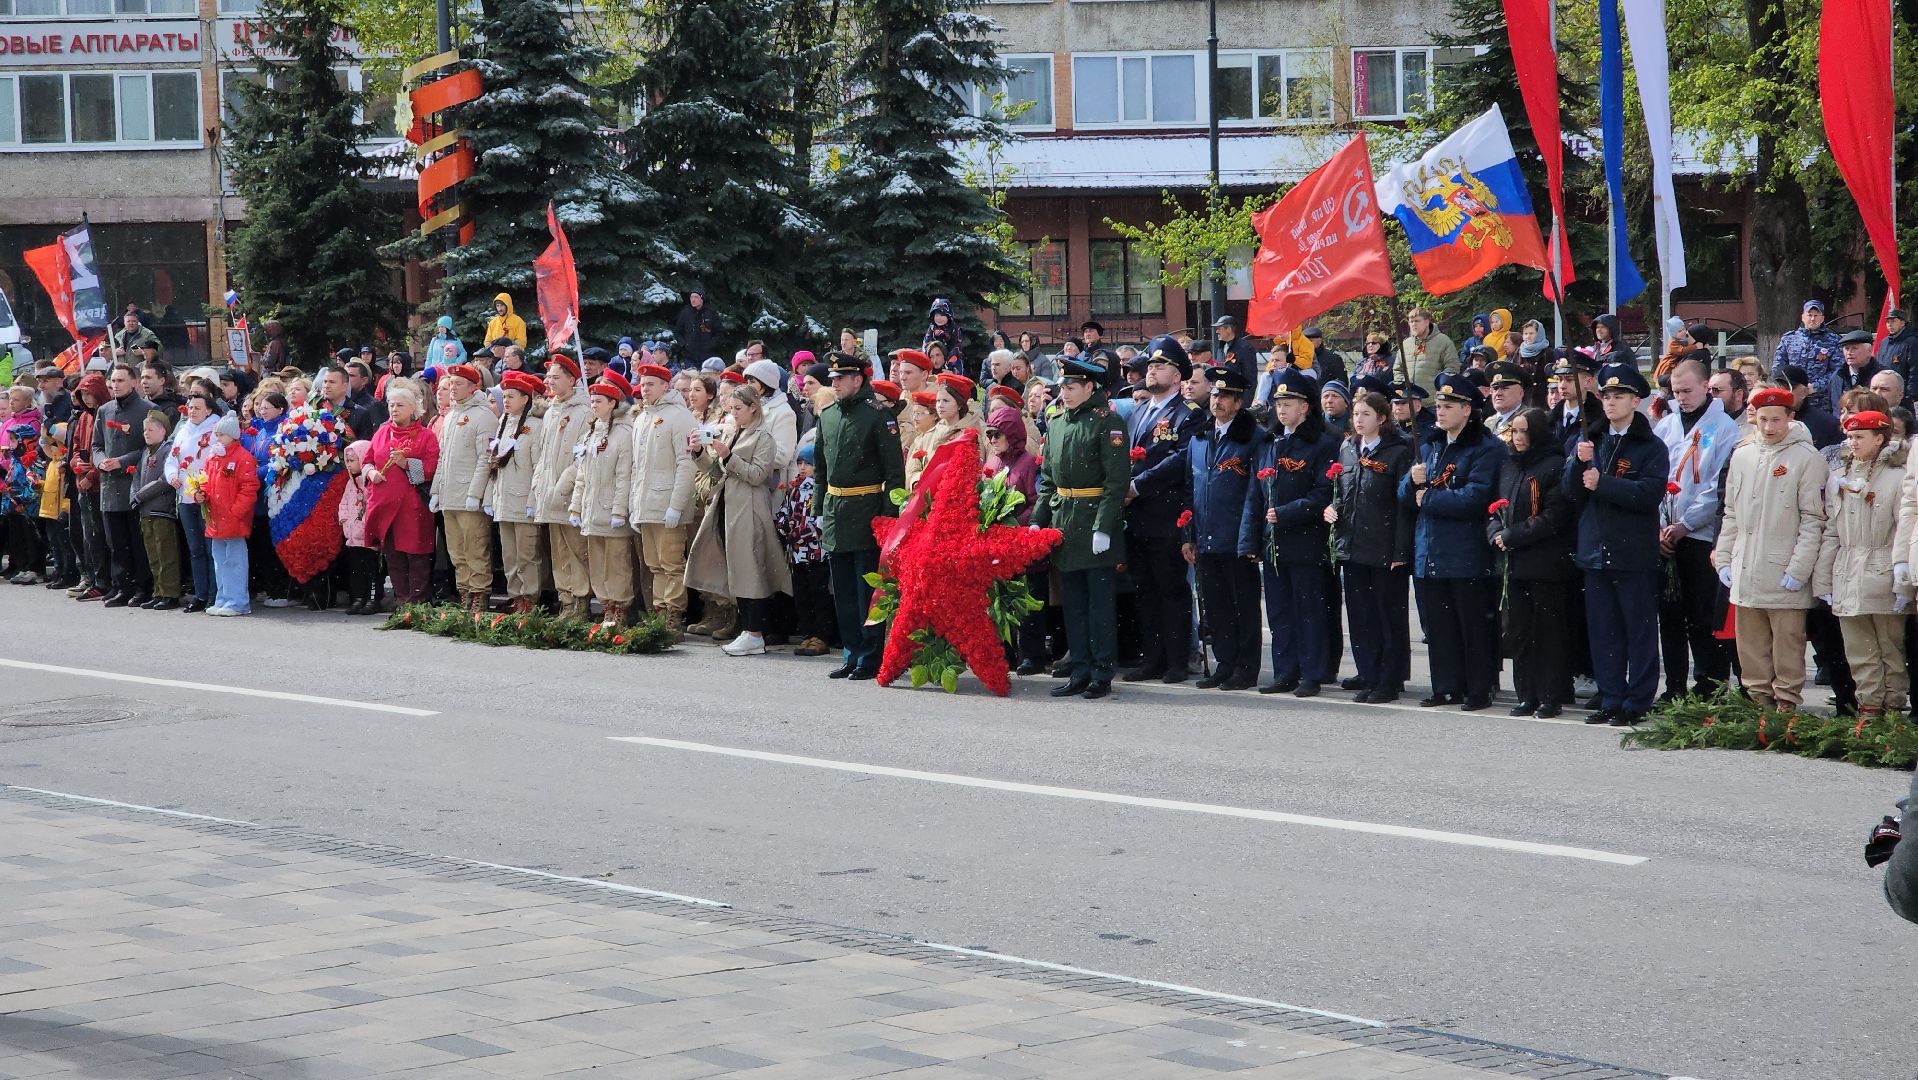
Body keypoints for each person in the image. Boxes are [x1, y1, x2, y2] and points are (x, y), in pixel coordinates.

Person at [1564, 363, 1668, 726]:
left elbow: (1649, 493)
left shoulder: (1650, 446)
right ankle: (1610, 696)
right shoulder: (1592, 441)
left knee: (1637, 631)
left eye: (1618, 396)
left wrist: (1603, 483)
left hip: (1632, 552)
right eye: (1606, 396)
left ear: (1636, 400)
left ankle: (1636, 699)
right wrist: (1577, 467)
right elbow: (1570, 493)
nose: (1610, 403)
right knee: (1603, 630)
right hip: (1595, 550)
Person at [1713, 386, 1828, 712]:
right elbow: (1731, 513)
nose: (1768, 427)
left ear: (1790, 418)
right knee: (1751, 647)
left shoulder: (1807, 458)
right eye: (1762, 419)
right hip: (1747, 567)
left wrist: (1798, 569)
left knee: (1787, 646)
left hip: (1783, 570)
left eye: (1776, 420)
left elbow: (1812, 520)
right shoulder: (1743, 455)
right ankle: (1759, 703)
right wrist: (1725, 558)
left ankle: (1786, 705)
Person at [1031, 354, 1129, 699]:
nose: (1065, 393)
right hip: (1065, 523)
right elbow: (1047, 479)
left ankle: (1102, 672)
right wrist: (1038, 521)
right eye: (1063, 387)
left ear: (1090, 387)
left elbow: (1116, 481)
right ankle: (1081, 668)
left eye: (1072, 387)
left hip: (1093, 522)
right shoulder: (1056, 422)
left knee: (1098, 605)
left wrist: (1103, 526)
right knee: (1072, 604)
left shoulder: (1108, 422)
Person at [812, 352, 906, 680]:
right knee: (844, 593)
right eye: (832, 379)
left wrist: (887, 517)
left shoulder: (878, 415)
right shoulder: (828, 416)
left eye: (841, 378)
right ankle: (851, 652)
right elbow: (821, 470)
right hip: (836, 512)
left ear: (857, 380)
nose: (834, 384)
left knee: (867, 590)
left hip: (867, 511)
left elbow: (895, 473)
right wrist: (818, 509)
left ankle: (870, 656)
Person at [1245, 368, 1338, 696]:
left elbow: (1323, 491)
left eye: (1289, 402)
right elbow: (1256, 493)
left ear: (1305, 407)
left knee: (1308, 609)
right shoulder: (1271, 441)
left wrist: (1285, 514)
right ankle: (1286, 671)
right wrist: (1252, 538)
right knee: (1280, 610)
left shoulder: (1322, 444)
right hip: (1273, 542)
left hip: (1305, 539)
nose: (1281, 408)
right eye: (1278, 402)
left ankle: (1312, 673)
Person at [1653, 357, 1740, 700]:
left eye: (1688, 390)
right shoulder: (1666, 426)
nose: (1682, 398)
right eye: (1676, 392)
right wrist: (1662, 526)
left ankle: (1709, 685)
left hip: (1698, 535)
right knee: (1670, 616)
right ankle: (1673, 685)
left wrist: (1685, 524)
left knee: (1702, 616)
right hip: (1665, 534)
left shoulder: (1724, 428)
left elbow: (1717, 486)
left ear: (1706, 387)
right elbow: (1658, 476)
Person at [1816, 410, 1911, 717]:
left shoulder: (1897, 477)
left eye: (1860, 437)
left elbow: (1902, 529)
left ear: (1880, 438)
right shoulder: (1841, 477)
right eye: (1850, 437)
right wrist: (1823, 579)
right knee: (1859, 650)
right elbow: (1831, 530)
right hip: (1847, 570)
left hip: (1882, 570)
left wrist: (1903, 580)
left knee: (1889, 649)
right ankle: (1869, 709)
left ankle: (1893, 710)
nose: (1852, 443)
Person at [1122, 337, 1206, 684]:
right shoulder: (1139, 411)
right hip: (1135, 515)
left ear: (1177, 376)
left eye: (1160, 365)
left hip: (1166, 514)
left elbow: (1180, 460)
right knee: (1144, 589)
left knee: (1171, 589)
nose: (1152, 370)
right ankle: (1152, 658)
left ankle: (1176, 659)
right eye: (1151, 365)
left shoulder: (1187, 415)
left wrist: (1138, 485)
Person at [685, 384, 792, 656]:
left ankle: (755, 632)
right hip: (728, 505)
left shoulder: (764, 437)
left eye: (738, 409)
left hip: (750, 508)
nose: (733, 414)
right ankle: (747, 628)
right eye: (731, 409)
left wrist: (728, 456)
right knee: (737, 568)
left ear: (753, 407)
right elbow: (716, 470)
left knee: (750, 569)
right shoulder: (734, 431)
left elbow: (758, 475)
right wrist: (699, 454)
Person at [1179, 367, 1264, 691]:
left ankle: (1246, 667)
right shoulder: (1200, 438)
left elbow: (1255, 494)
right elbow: (1190, 489)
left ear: (1238, 402)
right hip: (1205, 536)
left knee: (1243, 607)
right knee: (1216, 608)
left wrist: (1248, 538)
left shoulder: (1253, 438)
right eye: (1215, 394)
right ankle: (1224, 664)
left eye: (1225, 396)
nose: (1217, 400)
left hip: (1236, 538)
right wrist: (1187, 535)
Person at [1328, 389, 1414, 702]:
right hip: (1352, 543)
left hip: (1384, 544)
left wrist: (1400, 551)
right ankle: (1369, 671)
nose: (1359, 420)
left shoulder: (1397, 451)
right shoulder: (1348, 448)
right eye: (1356, 414)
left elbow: (1403, 506)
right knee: (1361, 615)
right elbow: (1342, 490)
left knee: (1387, 615)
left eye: (1366, 414)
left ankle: (1390, 678)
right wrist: (1332, 507)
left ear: (1381, 418)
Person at [1490, 408, 1574, 716]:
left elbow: (1553, 516)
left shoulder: (1553, 465)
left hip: (1544, 563)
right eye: (1514, 431)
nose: (1518, 437)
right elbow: (1496, 507)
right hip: (1513, 563)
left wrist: (1514, 535)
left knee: (1547, 633)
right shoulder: (1510, 465)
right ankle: (1526, 694)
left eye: (1524, 431)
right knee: (1520, 632)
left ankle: (1550, 695)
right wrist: (1496, 533)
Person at [628, 362, 698, 632]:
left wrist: (676, 506)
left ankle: (673, 615)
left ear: (665, 386)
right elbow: (637, 468)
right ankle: (659, 610)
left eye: (651, 384)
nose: (644, 389)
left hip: (667, 502)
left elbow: (686, 463)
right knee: (654, 565)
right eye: (643, 384)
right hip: (647, 504)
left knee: (671, 564)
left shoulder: (679, 417)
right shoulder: (643, 417)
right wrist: (634, 506)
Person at [362, 380, 441, 605]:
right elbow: (367, 460)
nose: (394, 409)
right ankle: (401, 599)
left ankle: (417, 602)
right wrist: (370, 474)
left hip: (411, 505)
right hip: (385, 503)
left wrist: (406, 463)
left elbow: (429, 470)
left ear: (413, 408)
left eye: (400, 405)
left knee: (416, 555)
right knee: (393, 555)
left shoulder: (426, 436)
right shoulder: (382, 432)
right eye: (391, 405)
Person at [569, 372, 636, 627]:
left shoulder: (622, 433)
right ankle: (606, 605)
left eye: (599, 401)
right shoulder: (591, 435)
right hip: (591, 510)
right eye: (593, 401)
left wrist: (620, 511)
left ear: (613, 403)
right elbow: (582, 475)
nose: (594, 406)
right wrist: (576, 506)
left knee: (617, 563)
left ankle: (621, 607)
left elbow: (624, 476)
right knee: (597, 563)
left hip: (611, 510)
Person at [428, 363, 496, 614]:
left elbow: (485, 458)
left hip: (469, 495)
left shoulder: (483, 415)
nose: (452, 389)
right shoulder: (452, 416)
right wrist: (436, 490)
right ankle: (465, 591)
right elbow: (443, 457)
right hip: (449, 495)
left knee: (475, 547)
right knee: (457, 551)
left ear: (472, 387)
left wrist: (475, 494)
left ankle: (479, 594)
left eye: (458, 384)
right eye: (450, 384)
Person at [530, 353, 594, 620]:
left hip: (569, 494)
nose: (550, 382)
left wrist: (562, 487)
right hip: (549, 493)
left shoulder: (583, 411)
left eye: (556, 377)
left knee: (577, 551)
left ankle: (580, 602)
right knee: (559, 552)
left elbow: (583, 456)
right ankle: (565, 600)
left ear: (571, 379)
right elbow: (544, 455)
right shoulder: (551, 411)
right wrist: (539, 484)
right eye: (549, 377)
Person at [483, 370, 546, 616]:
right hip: (504, 500)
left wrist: (533, 501)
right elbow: (494, 464)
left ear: (525, 399)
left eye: (511, 396)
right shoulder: (503, 423)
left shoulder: (534, 426)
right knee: (510, 556)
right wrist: (490, 498)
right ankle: (515, 596)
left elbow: (538, 467)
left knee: (527, 555)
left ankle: (530, 598)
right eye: (505, 396)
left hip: (523, 501)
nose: (506, 401)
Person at [93, 362, 154, 608]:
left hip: (134, 483)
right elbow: (96, 445)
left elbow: (150, 447)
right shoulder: (104, 410)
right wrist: (100, 462)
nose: (114, 385)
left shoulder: (148, 409)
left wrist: (121, 461)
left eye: (120, 381)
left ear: (134, 382)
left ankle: (142, 587)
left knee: (137, 542)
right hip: (109, 486)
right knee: (115, 542)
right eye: (112, 381)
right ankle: (121, 586)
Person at [164, 380, 223, 612]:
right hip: (186, 497)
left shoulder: (216, 429)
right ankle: (200, 594)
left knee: (211, 549)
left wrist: (205, 487)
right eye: (190, 407)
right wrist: (172, 476)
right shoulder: (183, 430)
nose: (192, 411)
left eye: (198, 407)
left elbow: (217, 461)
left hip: (207, 497)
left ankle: (215, 594)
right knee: (195, 549)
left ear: (208, 409)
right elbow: (172, 458)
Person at [776, 442, 833, 658]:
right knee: (802, 594)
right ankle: (808, 633)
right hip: (796, 552)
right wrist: (784, 525)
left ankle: (822, 634)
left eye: (807, 464)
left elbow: (821, 521)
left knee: (818, 593)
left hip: (815, 551)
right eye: (800, 463)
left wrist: (800, 532)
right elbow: (784, 513)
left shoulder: (820, 489)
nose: (802, 467)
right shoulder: (794, 490)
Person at [199, 413, 258, 616]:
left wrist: (236, 511)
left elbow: (249, 488)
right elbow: (206, 482)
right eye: (217, 434)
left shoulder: (243, 458)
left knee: (235, 560)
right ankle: (223, 598)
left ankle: (238, 601)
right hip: (216, 518)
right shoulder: (213, 457)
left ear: (233, 435)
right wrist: (202, 494)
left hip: (233, 519)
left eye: (222, 434)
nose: (218, 438)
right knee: (219, 561)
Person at [130, 412, 182, 610]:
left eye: (150, 429)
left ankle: (171, 593)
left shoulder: (168, 450)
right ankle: (158, 591)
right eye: (144, 430)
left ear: (163, 430)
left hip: (162, 509)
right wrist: (133, 494)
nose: (146, 433)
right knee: (153, 554)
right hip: (146, 510)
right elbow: (136, 476)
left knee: (166, 553)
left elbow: (164, 479)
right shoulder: (146, 452)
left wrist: (140, 495)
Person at [66, 372, 109, 601]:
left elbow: (106, 450)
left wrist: (91, 475)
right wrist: (75, 464)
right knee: (87, 535)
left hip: (99, 483)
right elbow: (75, 446)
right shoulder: (83, 417)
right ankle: (92, 578)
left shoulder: (105, 414)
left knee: (101, 535)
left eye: (90, 393)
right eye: (83, 394)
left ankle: (104, 580)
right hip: (82, 482)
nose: (87, 398)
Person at [906, 373, 981, 490]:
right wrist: (917, 480)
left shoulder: (969, 435)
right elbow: (913, 466)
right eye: (938, 401)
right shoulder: (929, 434)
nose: (940, 405)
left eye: (946, 401)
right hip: (925, 497)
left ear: (960, 405)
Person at [1773, 300, 1844, 410]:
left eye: (1816, 315)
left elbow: (1837, 371)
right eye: (1809, 315)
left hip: (1820, 401)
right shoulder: (1789, 339)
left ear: (1822, 318)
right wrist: (1788, 386)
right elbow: (1778, 367)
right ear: (1802, 317)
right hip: (1791, 398)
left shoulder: (1833, 340)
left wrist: (1815, 387)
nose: (1812, 319)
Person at [336, 440, 381, 615]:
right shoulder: (350, 483)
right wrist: (344, 519)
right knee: (356, 570)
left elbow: (374, 505)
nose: (348, 464)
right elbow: (344, 503)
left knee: (372, 569)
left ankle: (372, 599)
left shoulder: (370, 484)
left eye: (352, 460)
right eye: (347, 460)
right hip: (353, 537)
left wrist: (367, 523)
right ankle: (358, 598)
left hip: (369, 537)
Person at [1778, 364, 1842, 448]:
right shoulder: (1766, 420)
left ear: (1804, 392)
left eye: (1787, 388)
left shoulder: (1827, 425)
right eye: (1777, 388)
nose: (1781, 393)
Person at [1398, 307, 1459, 389]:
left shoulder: (1443, 341)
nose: (1413, 324)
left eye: (1417, 321)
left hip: (1434, 399)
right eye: (1411, 321)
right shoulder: (1406, 344)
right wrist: (1403, 386)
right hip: (1410, 398)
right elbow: (1398, 369)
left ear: (1427, 322)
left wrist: (1441, 388)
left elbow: (1452, 368)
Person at [1827, 329, 1883, 406]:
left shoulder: (1882, 375)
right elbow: (1832, 407)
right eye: (1846, 349)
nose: (1849, 353)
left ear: (1869, 350)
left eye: (1854, 348)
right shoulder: (1838, 376)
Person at [924, 298, 967, 379]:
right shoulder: (932, 328)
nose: (939, 318)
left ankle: (954, 376)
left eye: (942, 315)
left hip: (951, 355)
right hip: (933, 354)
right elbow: (926, 343)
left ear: (948, 316)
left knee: (956, 363)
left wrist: (949, 360)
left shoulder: (954, 328)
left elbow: (957, 345)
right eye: (937, 315)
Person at [1212, 315, 1259, 386]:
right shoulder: (1220, 348)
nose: (1216, 331)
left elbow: (1250, 378)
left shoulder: (1245, 348)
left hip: (1237, 394)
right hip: (1221, 393)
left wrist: (1246, 397)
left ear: (1229, 329)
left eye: (1219, 328)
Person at [1484, 362, 1529, 436]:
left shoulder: (1528, 420)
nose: (1498, 393)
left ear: (1520, 393)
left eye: (1504, 388)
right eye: (1495, 389)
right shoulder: (1488, 423)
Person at [675, 290, 719, 365]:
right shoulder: (685, 313)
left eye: (696, 297)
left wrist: (711, 344)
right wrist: (684, 344)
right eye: (691, 297)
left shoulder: (710, 313)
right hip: (689, 356)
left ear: (702, 299)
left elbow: (719, 332)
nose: (693, 300)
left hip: (707, 356)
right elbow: (677, 331)